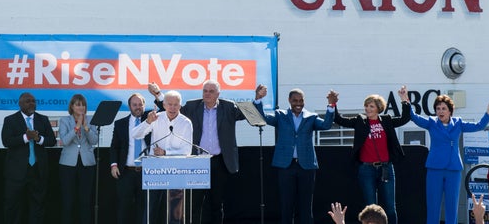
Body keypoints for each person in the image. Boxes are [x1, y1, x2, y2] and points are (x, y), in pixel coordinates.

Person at [148, 80, 251, 224]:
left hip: (219, 161)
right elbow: (171, 109)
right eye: (205, 91)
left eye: (211, 91)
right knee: (194, 204)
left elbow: (246, 114)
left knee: (216, 204)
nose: (207, 94)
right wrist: (159, 94)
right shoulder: (192, 106)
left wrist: (258, 99)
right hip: (197, 161)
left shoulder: (228, 106)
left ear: (218, 94)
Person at [400, 89, 489, 224]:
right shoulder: (431, 122)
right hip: (435, 169)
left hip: (453, 169)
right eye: (438, 108)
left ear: (450, 111)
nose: (440, 111)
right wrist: (405, 99)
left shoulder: (458, 123)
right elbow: (414, 116)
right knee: (433, 206)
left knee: (452, 207)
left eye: (443, 108)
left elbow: (479, 126)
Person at [254, 87, 338, 224]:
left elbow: (327, 125)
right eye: (295, 100)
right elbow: (263, 118)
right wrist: (258, 99)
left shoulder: (311, 117)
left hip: (306, 166)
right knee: (286, 204)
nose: (298, 103)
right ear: (289, 101)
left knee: (306, 205)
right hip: (286, 165)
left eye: (301, 100)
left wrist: (331, 105)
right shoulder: (280, 115)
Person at [332, 87, 411, 224]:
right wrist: (333, 104)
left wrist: (404, 99)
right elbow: (340, 120)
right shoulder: (360, 120)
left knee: (390, 207)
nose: (368, 109)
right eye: (366, 106)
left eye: (371, 106)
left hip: (386, 167)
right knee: (370, 207)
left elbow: (405, 118)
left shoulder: (385, 120)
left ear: (379, 108)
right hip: (366, 169)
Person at [134, 90, 193, 224]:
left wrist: (166, 152)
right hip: (156, 168)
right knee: (151, 207)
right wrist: (147, 122)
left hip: (177, 170)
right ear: (164, 105)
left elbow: (187, 150)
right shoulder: (157, 118)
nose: (172, 108)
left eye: (176, 105)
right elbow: (136, 135)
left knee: (175, 210)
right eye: (169, 104)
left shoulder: (186, 122)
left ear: (180, 105)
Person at [2, 92, 57, 224]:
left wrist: (38, 138)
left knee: (38, 205)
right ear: (20, 104)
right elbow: (6, 141)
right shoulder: (10, 120)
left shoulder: (43, 119)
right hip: (16, 172)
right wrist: (26, 137)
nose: (32, 103)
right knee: (13, 206)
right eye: (28, 101)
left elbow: (52, 141)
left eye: (33, 101)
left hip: (38, 170)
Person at [110, 93, 151, 224]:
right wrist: (114, 165)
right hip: (126, 172)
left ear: (144, 105)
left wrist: (157, 95)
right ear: (129, 106)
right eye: (135, 105)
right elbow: (114, 146)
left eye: (140, 104)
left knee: (144, 208)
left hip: (147, 172)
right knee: (124, 208)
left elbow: (164, 108)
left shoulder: (152, 120)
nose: (138, 107)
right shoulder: (120, 124)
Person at [58, 94, 99, 224]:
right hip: (68, 164)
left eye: (83, 105)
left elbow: (94, 140)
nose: (81, 107)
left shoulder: (91, 119)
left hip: (87, 163)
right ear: (72, 106)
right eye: (77, 104)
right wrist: (77, 127)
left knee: (85, 200)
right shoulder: (65, 120)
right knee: (68, 200)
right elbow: (64, 141)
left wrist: (85, 127)